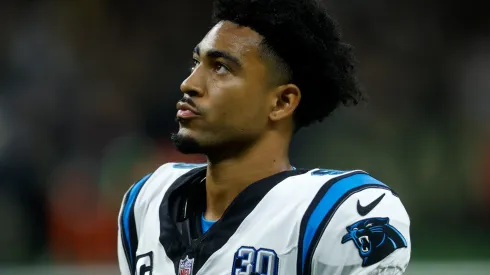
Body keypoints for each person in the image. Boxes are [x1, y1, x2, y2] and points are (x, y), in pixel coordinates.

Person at [117, 0, 411, 274]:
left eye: (220, 67)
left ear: (282, 102)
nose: (189, 84)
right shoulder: (146, 203)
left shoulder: (337, 214)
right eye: (196, 64)